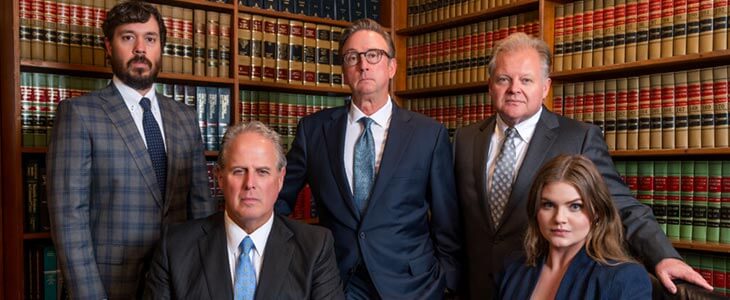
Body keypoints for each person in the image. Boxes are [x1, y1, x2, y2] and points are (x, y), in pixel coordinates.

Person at [452, 32, 712, 299]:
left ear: (545, 87)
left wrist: (663, 256)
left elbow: (622, 205)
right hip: (474, 287)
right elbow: (449, 219)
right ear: (490, 85)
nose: (514, 88)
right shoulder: (465, 138)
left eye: (526, 80)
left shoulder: (578, 137)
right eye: (503, 79)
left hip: (546, 282)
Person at [276, 18, 461, 299]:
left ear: (391, 67)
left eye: (373, 55)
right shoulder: (313, 131)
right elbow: (277, 199)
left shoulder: (429, 134)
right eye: (353, 57)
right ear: (344, 70)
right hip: (336, 282)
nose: (364, 64)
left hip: (413, 285)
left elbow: (447, 222)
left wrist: (447, 283)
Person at [46, 2, 216, 299]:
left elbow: (201, 209)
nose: (140, 48)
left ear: (160, 47)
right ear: (108, 47)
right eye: (128, 37)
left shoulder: (185, 117)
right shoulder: (79, 114)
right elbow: (69, 220)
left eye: (150, 39)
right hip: (109, 284)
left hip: (177, 281)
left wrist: (201, 281)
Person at [144, 121, 344, 300]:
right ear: (219, 177)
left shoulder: (315, 247)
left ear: (281, 179)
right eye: (239, 171)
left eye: (262, 172)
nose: (250, 184)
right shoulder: (175, 247)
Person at [497, 155, 652, 299]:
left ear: (597, 212)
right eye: (548, 205)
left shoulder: (625, 277)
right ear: (535, 210)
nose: (559, 218)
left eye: (575, 207)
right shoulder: (513, 268)